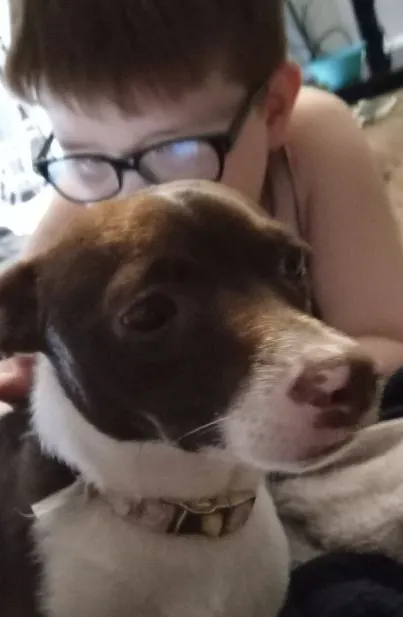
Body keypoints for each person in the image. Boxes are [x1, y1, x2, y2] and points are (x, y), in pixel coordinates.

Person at [1, 0, 403, 404]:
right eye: (86, 159)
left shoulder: (314, 144)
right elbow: (20, 349)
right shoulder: (86, 198)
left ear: (275, 108)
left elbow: (388, 345)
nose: (132, 203)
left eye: (178, 152)